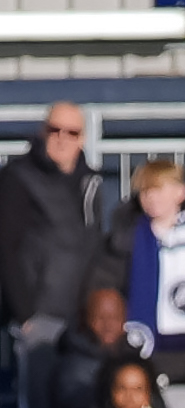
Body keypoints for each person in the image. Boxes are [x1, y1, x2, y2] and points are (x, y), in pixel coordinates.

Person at [81, 157, 185, 408]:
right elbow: (103, 289)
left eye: (159, 189)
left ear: (180, 192)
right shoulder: (123, 237)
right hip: (132, 352)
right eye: (146, 190)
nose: (151, 197)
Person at [1, 102, 105, 344]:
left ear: (82, 139)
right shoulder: (18, 178)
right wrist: (24, 315)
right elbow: (6, 247)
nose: (62, 139)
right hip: (38, 317)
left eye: (72, 132)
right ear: (42, 132)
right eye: (54, 130)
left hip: (81, 318)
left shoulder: (89, 182)